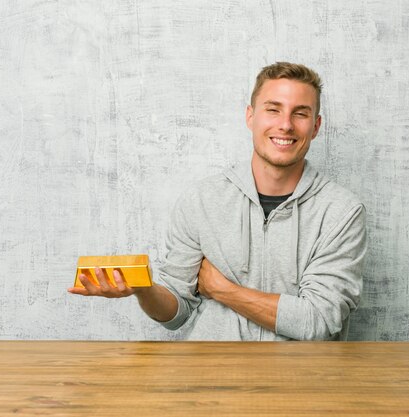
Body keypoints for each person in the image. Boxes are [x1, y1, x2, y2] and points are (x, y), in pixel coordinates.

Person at [68, 62, 367, 341]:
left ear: (315, 126)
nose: (285, 125)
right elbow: (177, 313)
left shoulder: (341, 213)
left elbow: (317, 320)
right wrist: (144, 290)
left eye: (300, 113)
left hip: (301, 383)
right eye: (273, 110)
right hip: (209, 378)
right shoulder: (201, 201)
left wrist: (223, 290)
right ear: (251, 116)